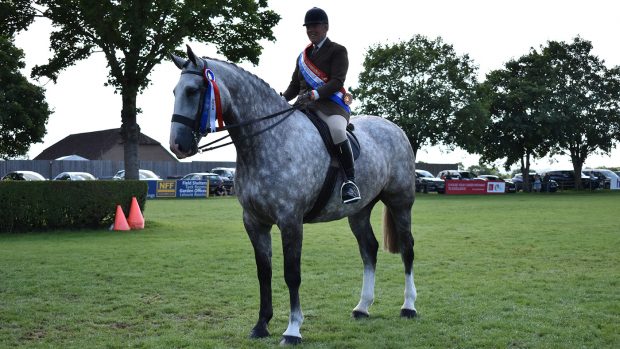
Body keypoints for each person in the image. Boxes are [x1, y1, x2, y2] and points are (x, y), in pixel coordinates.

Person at [282, 7, 361, 204]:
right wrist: (281, 99)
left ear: (325, 27)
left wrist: (315, 94)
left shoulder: (337, 50)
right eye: (308, 27)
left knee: (337, 131)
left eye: (315, 26)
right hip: (304, 107)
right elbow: (294, 85)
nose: (311, 30)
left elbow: (337, 81)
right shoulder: (303, 57)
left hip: (330, 106)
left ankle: (350, 182)